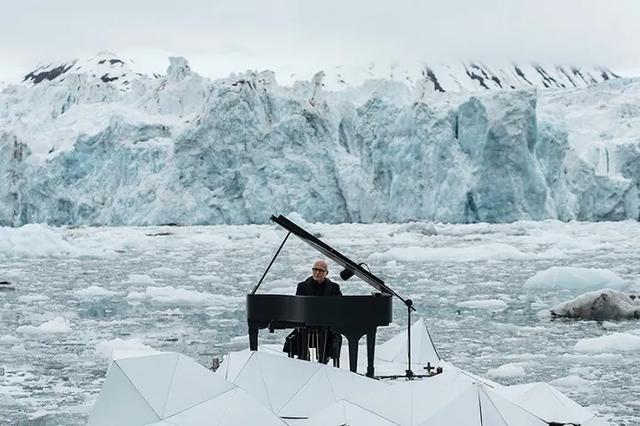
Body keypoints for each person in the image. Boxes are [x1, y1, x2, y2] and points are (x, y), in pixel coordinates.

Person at [284, 260, 342, 364]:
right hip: (306, 325)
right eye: (315, 269)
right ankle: (303, 358)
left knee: (331, 337)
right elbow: (298, 307)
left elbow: (339, 306)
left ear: (326, 273)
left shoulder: (334, 287)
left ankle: (324, 360)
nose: (317, 272)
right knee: (297, 337)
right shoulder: (302, 286)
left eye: (321, 270)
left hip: (326, 325)